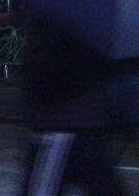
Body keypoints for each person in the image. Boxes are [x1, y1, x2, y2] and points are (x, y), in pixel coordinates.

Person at [20, 14, 132, 195]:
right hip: (89, 123)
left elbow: (43, 70)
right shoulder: (97, 16)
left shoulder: (56, 15)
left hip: (59, 125)